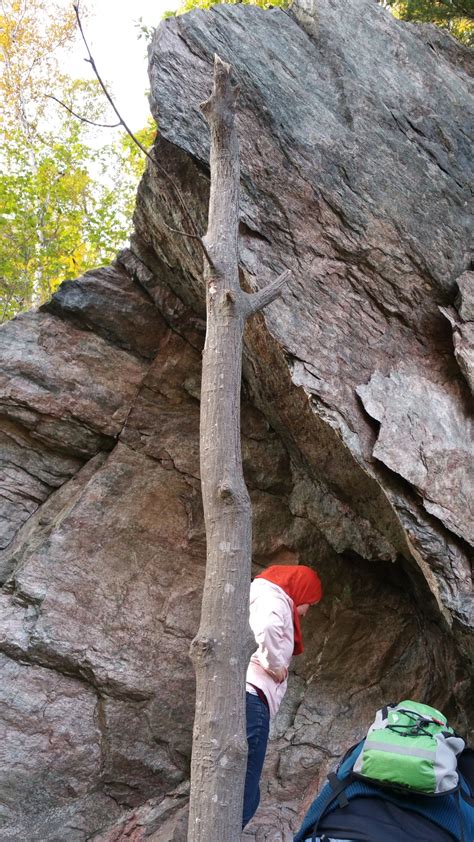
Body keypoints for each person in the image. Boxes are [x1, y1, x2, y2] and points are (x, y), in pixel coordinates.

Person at [243, 564, 323, 829]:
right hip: (253, 698)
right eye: (309, 603)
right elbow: (266, 629)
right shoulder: (274, 600)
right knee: (245, 794)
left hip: (248, 697)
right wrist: (275, 665)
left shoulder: (260, 596)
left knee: (243, 789)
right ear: (300, 591)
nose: (307, 612)